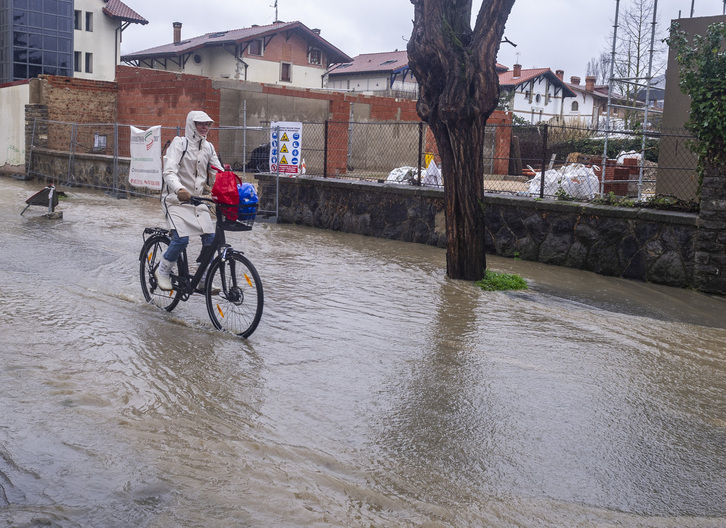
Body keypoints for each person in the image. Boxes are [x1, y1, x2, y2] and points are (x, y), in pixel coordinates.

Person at [155, 110, 222, 291]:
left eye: (207, 124)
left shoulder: (208, 148)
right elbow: (169, 171)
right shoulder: (179, 144)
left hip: (197, 201)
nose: (204, 127)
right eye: (200, 124)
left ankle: (203, 278)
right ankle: (162, 271)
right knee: (181, 240)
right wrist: (179, 189)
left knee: (211, 238)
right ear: (192, 124)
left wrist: (231, 189)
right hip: (175, 200)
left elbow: (218, 173)